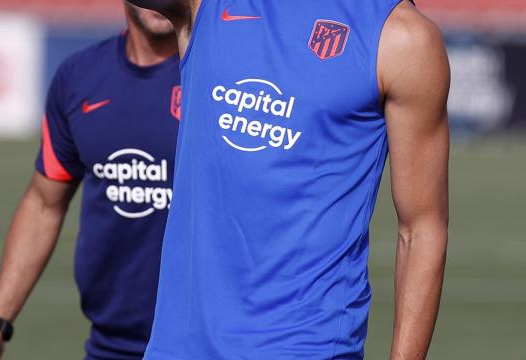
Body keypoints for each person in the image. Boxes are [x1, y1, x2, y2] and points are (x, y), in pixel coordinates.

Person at [126, 0, 450, 359]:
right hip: (181, 348)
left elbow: (421, 229)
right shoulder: (207, 6)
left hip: (306, 346)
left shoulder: (402, 37)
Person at [0, 3, 181, 360]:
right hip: (111, 346)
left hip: (209, 343)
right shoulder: (79, 77)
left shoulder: (222, 78)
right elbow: (44, 204)